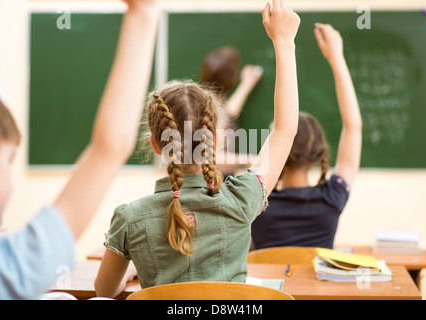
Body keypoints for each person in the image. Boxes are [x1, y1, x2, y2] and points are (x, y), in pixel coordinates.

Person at [94, 0, 301, 298]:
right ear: (215, 142)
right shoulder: (242, 198)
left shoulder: (129, 219)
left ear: (154, 144)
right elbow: (285, 130)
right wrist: (285, 43)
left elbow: (103, 291)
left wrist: (131, 267)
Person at [0, 0, 159, 299]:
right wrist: (143, 13)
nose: (12, 182)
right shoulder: (1, 266)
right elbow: (110, 145)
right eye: (8, 160)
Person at [251, 23, 362, 250]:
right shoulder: (332, 198)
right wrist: (336, 59)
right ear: (317, 152)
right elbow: (353, 127)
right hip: (318, 287)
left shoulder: (254, 201)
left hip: (269, 288)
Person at [200, 47, 263, 175]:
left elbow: (230, 112)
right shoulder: (215, 110)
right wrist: (247, 159)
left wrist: (246, 84)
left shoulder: (207, 102)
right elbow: (209, 156)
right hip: (217, 181)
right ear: (231, 76)